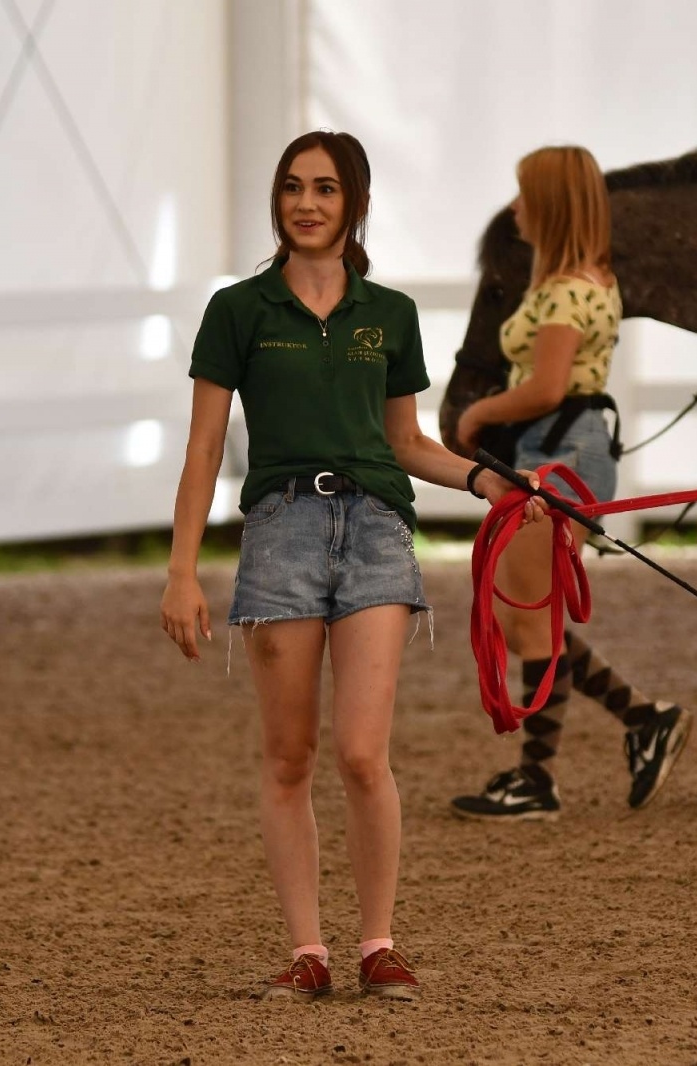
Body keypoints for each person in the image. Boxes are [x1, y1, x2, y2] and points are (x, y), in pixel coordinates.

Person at [160, 130, 543, 1002]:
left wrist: (494, 482)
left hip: (375, 529)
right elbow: (203, 445)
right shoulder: (239, 311)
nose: (306, 203)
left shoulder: (390, 315)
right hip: (281, 531)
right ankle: (308, 952)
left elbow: (407, 442)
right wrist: (182, 570)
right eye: (293, 187)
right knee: (288, 756)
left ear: (352, 202)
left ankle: (378, 944)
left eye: (325, 189)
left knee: (364, 754)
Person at [449, 146, 692, 821]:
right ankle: (612, 734)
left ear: (551, 206)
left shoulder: (562, 291)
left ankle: (588, 749)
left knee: (527, 618)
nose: (515, 209)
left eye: (525, 196)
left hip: (557, 448)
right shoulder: (592, 279)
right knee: (526, 613)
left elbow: (547, 386)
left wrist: (476, 413)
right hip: (567, 447)